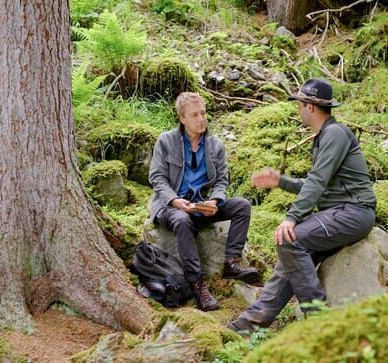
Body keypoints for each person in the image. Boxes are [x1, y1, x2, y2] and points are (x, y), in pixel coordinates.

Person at [227, 79, 376, 332]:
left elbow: (317, 182)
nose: (298, 109)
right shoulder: (325, 136)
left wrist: (292, 217)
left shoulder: (334, 134)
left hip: (354, 212)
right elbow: (317, 182)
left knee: (289, 239)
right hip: (337, 212)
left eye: (300, 104)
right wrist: (280, 181)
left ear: (310, 107)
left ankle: (319, 323)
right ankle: (247, 325)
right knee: (289, 257)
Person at [148, 92, 261, 311]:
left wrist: (215, 201)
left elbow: (221, 180)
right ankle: (198, 284)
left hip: (201, 205)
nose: (201, 119)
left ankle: (231, 263)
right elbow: (157, 178)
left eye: (203, 113)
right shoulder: (166, 141)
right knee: (182, 221)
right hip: (172, 207)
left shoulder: (215, 145)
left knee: (242, 206)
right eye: (194, 115)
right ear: (182, 118)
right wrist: (174, 200)